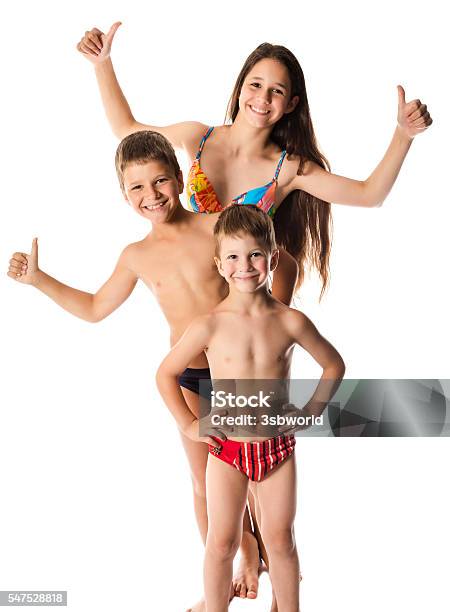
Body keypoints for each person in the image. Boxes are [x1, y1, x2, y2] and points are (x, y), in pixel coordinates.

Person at [7, 131, 282, 610]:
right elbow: (95, 307)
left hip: (240, 375)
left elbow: (286, 262)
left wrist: (273, 317)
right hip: (190, 380)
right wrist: (37, 279)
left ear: (179, 179)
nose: (151, 195)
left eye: (160, 181)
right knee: (204, 483)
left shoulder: (218, 226)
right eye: (136, 188)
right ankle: (227, 573)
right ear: (123, 194)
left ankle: (276, 572)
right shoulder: (136, 256)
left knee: (258, 479)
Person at [77, 22, 432, 300]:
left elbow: (370, 195)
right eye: (255, 84)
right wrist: (102, 64)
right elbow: (127, 129)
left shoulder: (289, 169)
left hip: (249, 309)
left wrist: (403, 135)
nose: (262, 98)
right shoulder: (197, 138)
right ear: (240, 87)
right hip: (196, 302)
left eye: (276, 91)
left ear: (291, 104)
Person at [156, 205, 346, 612]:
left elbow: (334, 364)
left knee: (280, 540)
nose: (246, 266)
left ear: (273, 259)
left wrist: (311, 410)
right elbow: (165, 374)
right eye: (234, 257)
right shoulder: (208, 324)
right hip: (227, 451)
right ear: (220, 265)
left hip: (276, 450)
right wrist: (190, 425)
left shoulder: (291, 321)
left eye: (256, 255)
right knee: (221, 542)